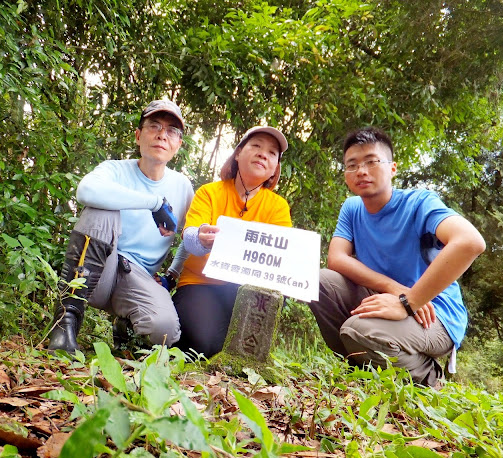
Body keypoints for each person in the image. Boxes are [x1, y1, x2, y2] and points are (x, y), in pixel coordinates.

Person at [309, 126, 486, 387]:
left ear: (392, 168)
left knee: (357, 330)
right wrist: (395, 290)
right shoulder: (352, 207)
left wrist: (409, 301)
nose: (361, 171)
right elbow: (336, 259)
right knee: (318, 282)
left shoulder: (419, 203)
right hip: (389, 300)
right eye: (352, 165)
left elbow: (470, 242)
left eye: (371, 161)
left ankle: (429, 377)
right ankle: (359, 370)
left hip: (434, 312)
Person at [47, 99, 194, 353]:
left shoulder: (182, 187)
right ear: (138, 136)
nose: (162, 135)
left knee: (165, 332)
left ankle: (124, 328)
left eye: (172, 131)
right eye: (154, 126)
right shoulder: (114, 170)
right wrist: (153, 203)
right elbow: (86, 191)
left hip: (138, 277)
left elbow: (189, 238)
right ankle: (65, 320)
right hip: (98, 268)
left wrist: (172, 274)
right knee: (101, 209)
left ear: (178, 145)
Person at [173, 126, 292, 357]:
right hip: (200, 283)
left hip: (245, 287)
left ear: (275, 168)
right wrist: (201, 238)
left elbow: (281, 258)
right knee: (202, 347)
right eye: (256, 146)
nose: (262, 154)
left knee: (274, 300)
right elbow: (190, 238)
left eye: (272, 153)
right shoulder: (209, 192)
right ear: (238, 154)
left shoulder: (278, 206)